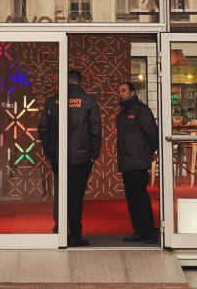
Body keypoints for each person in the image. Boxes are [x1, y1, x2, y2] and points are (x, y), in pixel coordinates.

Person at [38, 69, 101, 247]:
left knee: (60, 194)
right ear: (81, 82)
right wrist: (93, 156)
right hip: (82, 157)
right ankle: (75, 235)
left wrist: (51, 153)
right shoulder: (89, 101)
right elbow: (95, 131)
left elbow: (43, 130)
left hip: (59, 157)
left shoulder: (53, 101)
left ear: (65, 82)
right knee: (76, 197)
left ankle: (59, 232)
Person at [115, 81, 159, 244]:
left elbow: (153, 135)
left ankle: (149, 233)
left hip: (139, 162)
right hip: (126, 162)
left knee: (141, 198)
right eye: (119, 91)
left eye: (124, 90)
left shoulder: (141, 110)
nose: (120, 93)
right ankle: (139, 231)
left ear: (133, 93)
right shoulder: (122, 114)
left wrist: (148, 153)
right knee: (131, 199)